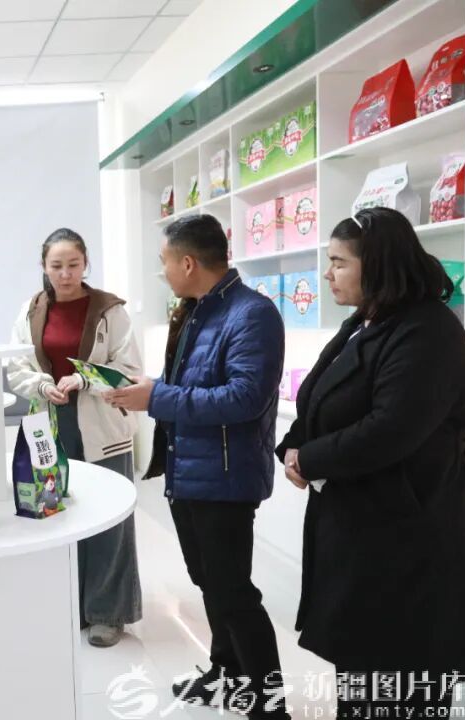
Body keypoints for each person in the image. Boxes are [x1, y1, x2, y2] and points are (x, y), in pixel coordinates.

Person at [275, 208, 465, 719]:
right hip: (360, 529)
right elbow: (318, 397)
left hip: (408, 536)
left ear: (378, 263)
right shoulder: (367, 320)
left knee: (401, 681)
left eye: (339, 262)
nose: (327, 274)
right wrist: (292, 446)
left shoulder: (430, 331)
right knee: (361, 675)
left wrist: (309, 458)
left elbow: (390, 429)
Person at [109, 214, 288, 719]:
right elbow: (191, 384)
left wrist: (156, 397)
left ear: (187, 263)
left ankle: (270, 706)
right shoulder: (197, 310)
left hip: (226, 478)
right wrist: (144, 391)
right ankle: (226, 673)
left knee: (234, 593)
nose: (162, 271)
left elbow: (244, 398)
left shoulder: (252, 314)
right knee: (210, 583)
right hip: (190, 471)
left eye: (164, 261)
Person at [6, 228, 143, 648]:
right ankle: (71, 604)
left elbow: (129, 370)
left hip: (102, 427)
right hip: (52, 425)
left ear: (86, 264)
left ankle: (107, 613)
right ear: (44, 267)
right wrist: (41, 384)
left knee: (108, 519)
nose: (65, 274)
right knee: (60, 515)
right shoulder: (32, 310)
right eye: (56, 266)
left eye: (73, 265)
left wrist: (84, 378)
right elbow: (16, 365)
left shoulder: (109, 310)